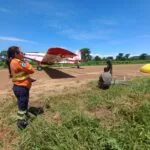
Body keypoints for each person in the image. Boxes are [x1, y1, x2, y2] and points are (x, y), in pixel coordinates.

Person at [7, 46, 36, 129]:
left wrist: (29, 79)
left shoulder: (12, 61)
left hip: (19, 87)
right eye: (21, 52)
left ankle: (25, 116)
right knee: (22, 107)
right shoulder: (19, 62)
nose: (23, 53)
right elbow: (31, 69)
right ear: (16, 54)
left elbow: (21, 73)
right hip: (21, 88)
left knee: (23, 104)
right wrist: (25, 61)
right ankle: (21, 124)